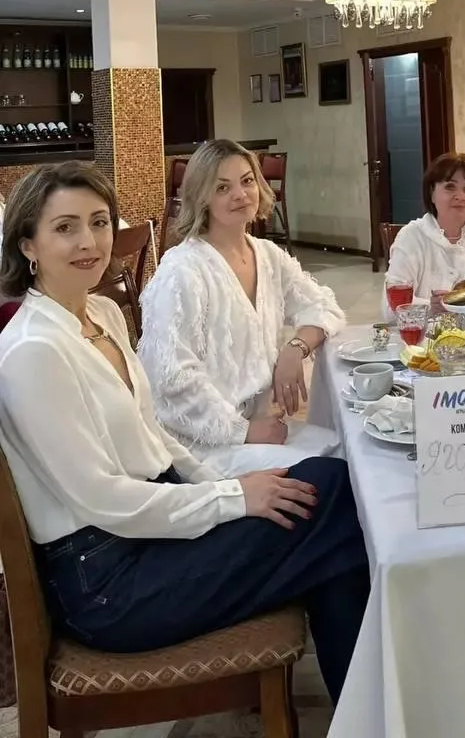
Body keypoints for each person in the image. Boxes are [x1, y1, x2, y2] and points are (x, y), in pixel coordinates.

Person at [0, 163, 368, 700]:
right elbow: (101, 499)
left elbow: (152, 433)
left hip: (153, 531)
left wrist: (225, 486)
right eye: (65, 228)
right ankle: (372, 704)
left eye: (99, 222)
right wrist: (232, 498)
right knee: (332, 503)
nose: (89, 242)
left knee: (321, 494)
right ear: (27, 244)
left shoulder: (100, 313)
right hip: (110, 584)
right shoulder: (34, 350)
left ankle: (363, 706)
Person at [139, 140, 345, 475]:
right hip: (203, 447)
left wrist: (295, 348)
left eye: (247, 181)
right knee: (333, 474)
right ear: (201, 197)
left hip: (262, 428)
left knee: (349, 449)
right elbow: (171, 380)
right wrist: (243, 431)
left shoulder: (267, 255)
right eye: (222, 187)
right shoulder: (182, 271)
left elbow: (323, 306)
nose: (240, 195)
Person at [383, 152, 465, 308]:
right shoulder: (411, 236)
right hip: (429, 324)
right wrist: (431, 307)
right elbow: (389, 306)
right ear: (432, 193)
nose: (460, 196)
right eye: (450, 187)